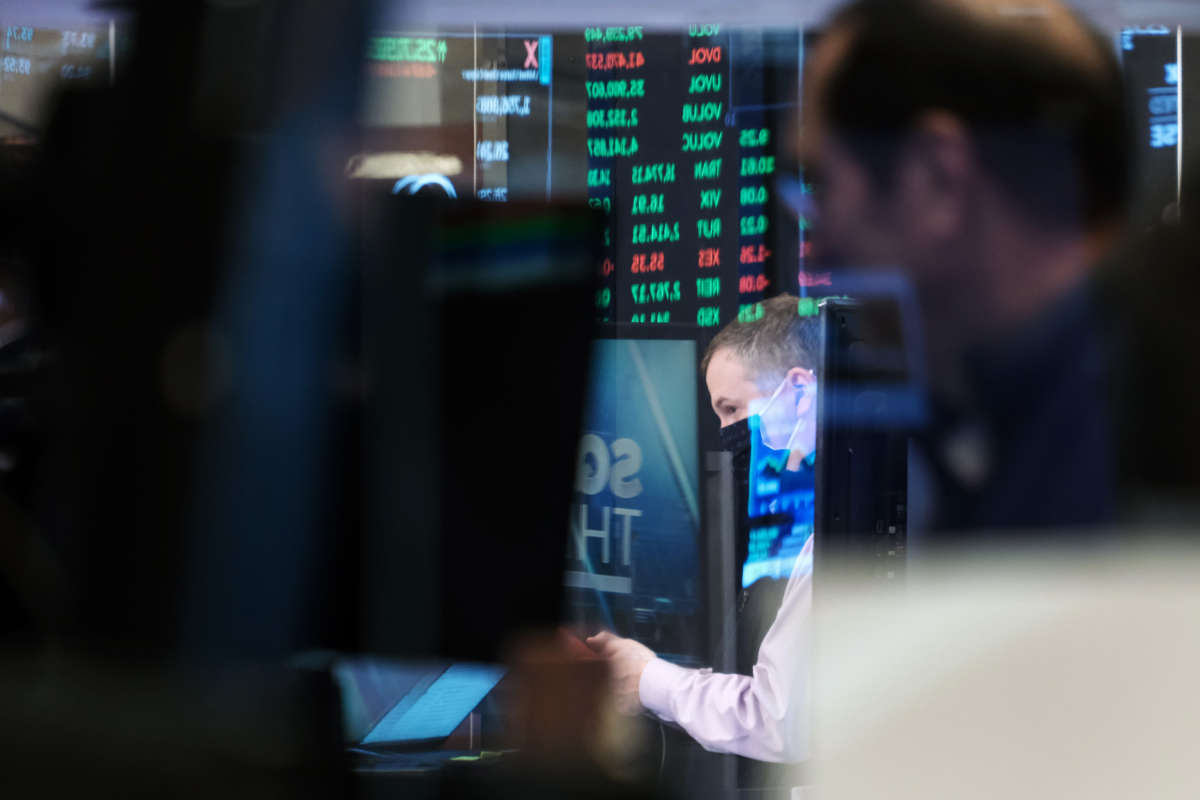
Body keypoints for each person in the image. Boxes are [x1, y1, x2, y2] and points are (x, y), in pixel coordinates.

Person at [797, 0, 1130, 536]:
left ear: (939, 180)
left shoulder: (1120, 484)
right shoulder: (1043, 426)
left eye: (824, 184)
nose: (818, 247)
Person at [587, 295, 818, 763]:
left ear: (797, 392)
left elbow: (778, 719)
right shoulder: (807, 513)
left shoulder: (828, 534)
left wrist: (647, 678)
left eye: (731, 409)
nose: (726, 431)